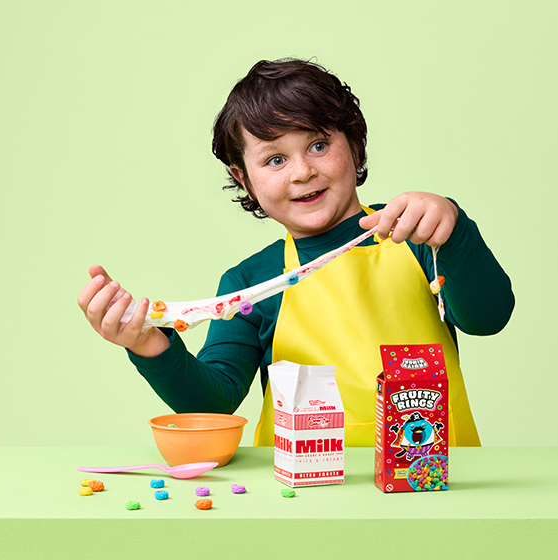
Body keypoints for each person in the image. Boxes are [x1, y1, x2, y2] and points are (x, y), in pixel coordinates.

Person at [77, 58, 514, 447]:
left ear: (355, 144)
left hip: (426, 478)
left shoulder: (415, 231)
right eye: (274, 160)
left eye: (318, 145)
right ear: (243, 178)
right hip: (299, 493)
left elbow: (488, 317)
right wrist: (151, 346)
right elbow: (214, 402)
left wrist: (453, 231)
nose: (303, 172)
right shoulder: (249, 282)